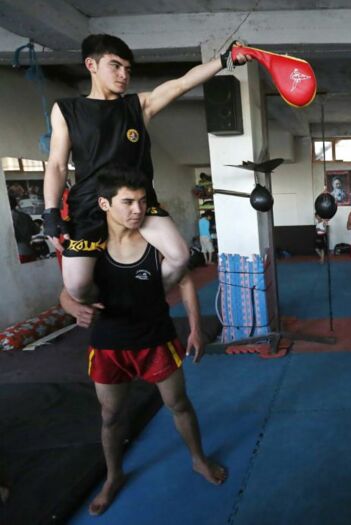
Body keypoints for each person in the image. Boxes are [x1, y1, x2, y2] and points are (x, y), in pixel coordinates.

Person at [58, 166, 226, 516]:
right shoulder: (91, 244)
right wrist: (74, 308)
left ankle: (198, 460)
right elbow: (67, 291)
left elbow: (184, 280)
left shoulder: (155, 242)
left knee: (179, 404)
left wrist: (195, 328)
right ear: (105, 204)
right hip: (108, 345)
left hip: (155, 339)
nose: (137, 209)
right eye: (128, 202)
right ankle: (114, 476)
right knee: (110, 416)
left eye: (142, 201)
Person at [43, 34, 249, 303]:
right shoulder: (67, 109)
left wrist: (225, 60)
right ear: (91, 65)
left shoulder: (137, 106)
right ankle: (113, 306)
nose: (123, 75)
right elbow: (57, 165)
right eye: (115, 66)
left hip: (138, 202)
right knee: (78, 286)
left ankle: (143, 302)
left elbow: (182, 84)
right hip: (90, 204)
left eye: (127, 69)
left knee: (179, 256)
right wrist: (50, 211)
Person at [9, 194, 39, 263]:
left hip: (15, 254)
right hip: (29, 251)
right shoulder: (25, 216)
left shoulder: (5, 219)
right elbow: (35, 231)